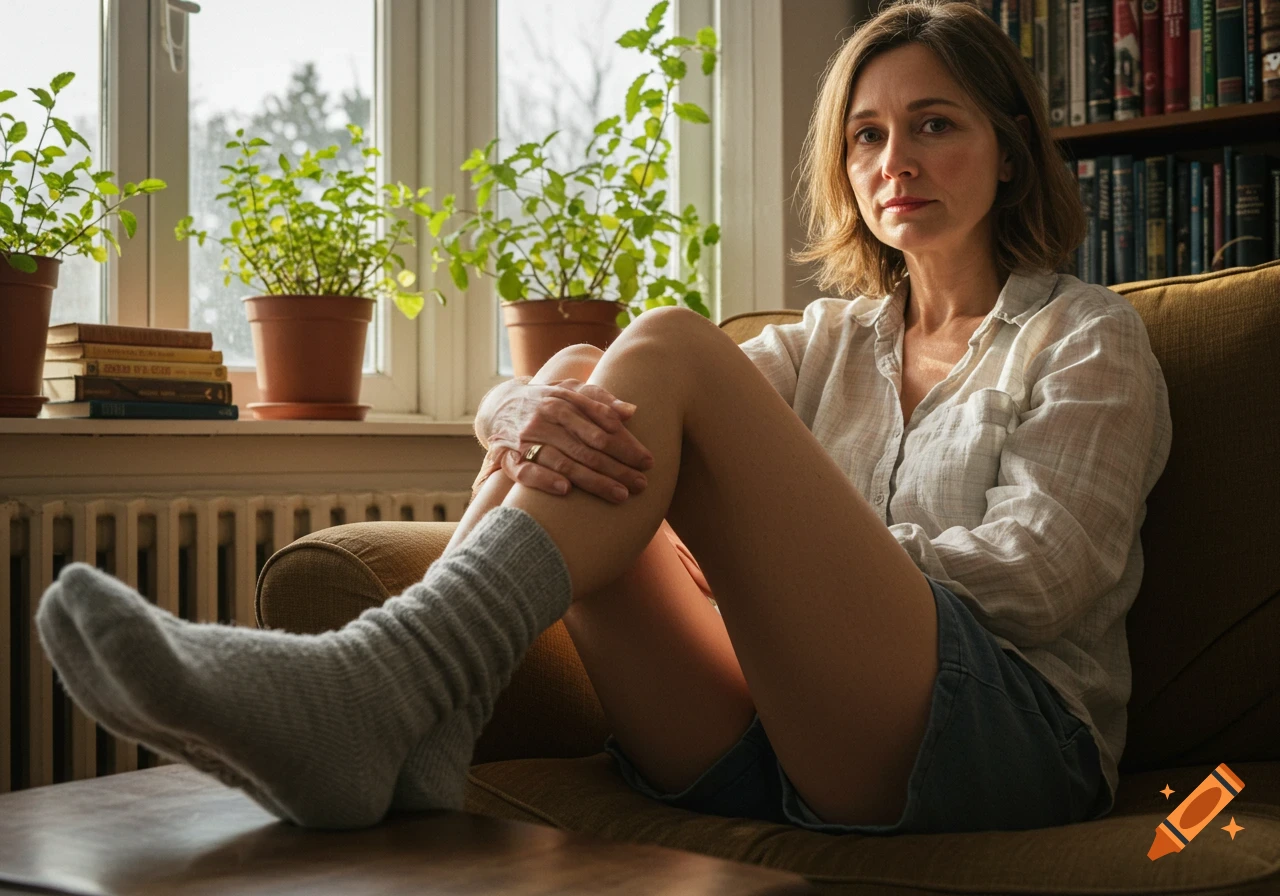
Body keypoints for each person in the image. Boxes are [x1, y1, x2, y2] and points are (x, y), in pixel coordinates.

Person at [36, 0, 1171, 835]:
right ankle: (417, 715)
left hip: (999, 740)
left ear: (1009, 148)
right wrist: (515, 400)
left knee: (669, 339)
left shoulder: (1085, 336)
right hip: (782, 740)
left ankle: (382, 684)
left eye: (932, 125)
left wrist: (762, 562)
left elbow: (1039, 573)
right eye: (865, 135)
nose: (892, 161)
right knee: (583, 366)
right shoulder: (826, 343)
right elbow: (564, 400)